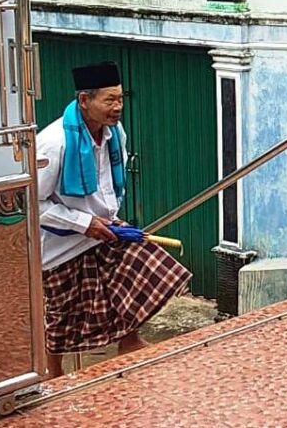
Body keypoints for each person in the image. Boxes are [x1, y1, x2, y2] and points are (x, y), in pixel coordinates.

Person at [35, 61, 191, 377]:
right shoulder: (55, 143)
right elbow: (30, 204)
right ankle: (51, 370)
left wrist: (110, 220)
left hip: (104, 227)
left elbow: (108, 183)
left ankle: (129, 340)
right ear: (84, 100)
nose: (117, 107)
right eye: (109, 100)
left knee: (147, 270)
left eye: (120, 99)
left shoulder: (114, 132)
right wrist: (84, 224)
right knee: (61, 313)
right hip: (59, 242)